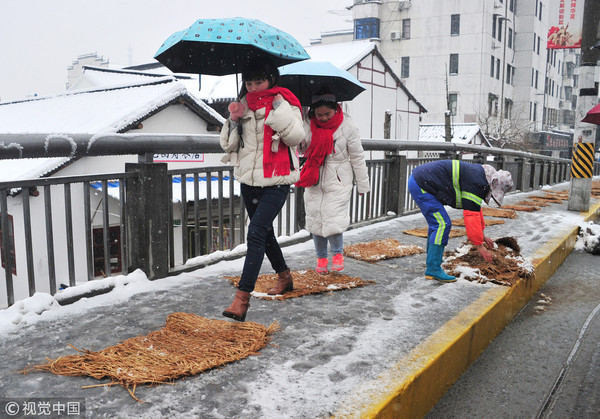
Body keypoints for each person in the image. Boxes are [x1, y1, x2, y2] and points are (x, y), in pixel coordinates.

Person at [220, 56, 305, 321]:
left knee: (255, 233)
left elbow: (296, 138)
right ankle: (285, 277)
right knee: (265, 233)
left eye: (259, 81)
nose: (254, 87)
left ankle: (241, 299)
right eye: (249, 82)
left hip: (277, 180)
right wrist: (233, 119)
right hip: (249, 182)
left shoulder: (286, 102)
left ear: (271, 80)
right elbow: (228, 145)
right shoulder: (242, 106)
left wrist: (277, 112)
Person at [296, 92, 370, 273]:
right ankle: (321, 259)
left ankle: (337, 255)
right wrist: (298, 140)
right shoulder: (307, 123)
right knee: (316, 220)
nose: (322, 118)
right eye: (319, 115)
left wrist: (363, 184)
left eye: (327, 114)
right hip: (314, 178)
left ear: (336, 109)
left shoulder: (348, 126)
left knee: (333, 218)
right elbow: (299, 147)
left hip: (339, 179)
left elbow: (357, 157)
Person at [408, 160, 514, 282]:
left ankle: (433, 260)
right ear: (495, 185)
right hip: (422, 185)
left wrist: (482, 236)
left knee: (437, 224)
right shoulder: (478, 182)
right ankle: (433, 268)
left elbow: (475, 209)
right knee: (441, 224)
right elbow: (471, 216)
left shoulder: (481, 176)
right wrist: (479, 246)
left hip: (421, 180)